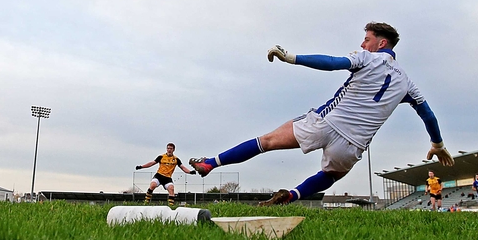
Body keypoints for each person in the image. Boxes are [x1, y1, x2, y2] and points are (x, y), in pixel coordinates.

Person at [187, 22, 454, 206]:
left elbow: (333, 63)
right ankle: (292, 196)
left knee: (266, 141)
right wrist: (437, 144)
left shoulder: (367, 58)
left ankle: (211, 163)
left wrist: (291, 57)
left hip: (326, 123)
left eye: (367, 39)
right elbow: (428, 114)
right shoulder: (407, 83)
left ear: (381, 43)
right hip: (354, 145)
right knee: (330, 176)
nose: (362, 43)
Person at [135, 143, 196, 207]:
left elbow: (183, 167)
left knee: (171, 188)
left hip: (167, 178)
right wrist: (141, 167)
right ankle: (146, 202)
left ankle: (171, 206)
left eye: (171, 148)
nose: (169, 150)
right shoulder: (161, 157)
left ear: (173, 150)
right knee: (153, 185)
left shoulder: (176, 159)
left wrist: (190, 172)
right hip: (159, 175)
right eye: (168, 148)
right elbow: (152, 163)